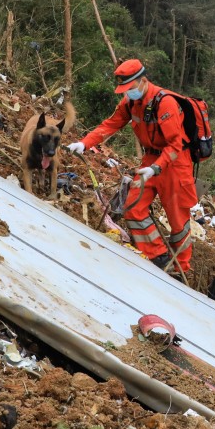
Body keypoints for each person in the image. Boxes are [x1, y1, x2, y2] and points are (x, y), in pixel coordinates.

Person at [66, 60, 199, 273]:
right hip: (150, 160)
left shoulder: (165, 103)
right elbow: (110, 124)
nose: (127, 93)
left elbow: (175, 144)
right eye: (124, 90)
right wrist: (84, 143)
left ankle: (180, 269)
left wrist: (157, 168)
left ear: (143, 81)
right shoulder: (129, 102)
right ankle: (159, 258)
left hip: (174, 163)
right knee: (133, 208)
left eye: (130, 88)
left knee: (178, 220)